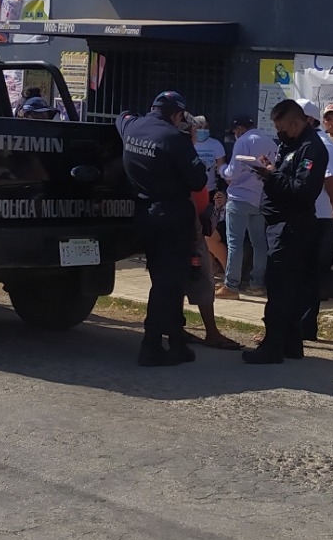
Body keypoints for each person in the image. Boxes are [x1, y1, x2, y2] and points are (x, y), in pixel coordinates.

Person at [117, 90, 208, 366]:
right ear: (176, 115)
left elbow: (122, 116)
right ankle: (151, 345)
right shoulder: (174, 139)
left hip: (144, 214)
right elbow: (197, 180)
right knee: (168, 284)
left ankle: (178, 342)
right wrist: (189, 143)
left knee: (165, 280)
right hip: (172, 217)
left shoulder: (132, 126)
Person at [243, 99, 328, 364]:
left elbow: (302, 190)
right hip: (278, 222)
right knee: (286, 286)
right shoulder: (290, 145)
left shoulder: (311, 148)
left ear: (296, 122)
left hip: (292, 225)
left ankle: (272, 347)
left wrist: (272, 176)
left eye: (283, 128)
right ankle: (291, 344)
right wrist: (271, 170)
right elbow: (285, 177)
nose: (279, 133)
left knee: (280, 287)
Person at [295, 100, 333, 341]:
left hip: (320, 218)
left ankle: (304, 328)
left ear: (309, 120)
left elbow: (332, 182)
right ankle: (300, 327)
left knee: (309, 274)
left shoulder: (322, 145)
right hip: (304, 217)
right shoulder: (298, 143)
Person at [218, 115, 277, 300]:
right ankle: (257, 284)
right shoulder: (271, 142)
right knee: (259, 243)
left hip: (239, 198)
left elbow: (232, 173)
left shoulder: (243, 141)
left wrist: (221, 169)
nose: (235, 135)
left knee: (235, 243)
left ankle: (231, 286)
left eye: (235, 132)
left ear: (239, 129)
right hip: (260, 199)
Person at [184, 184, 243, 351]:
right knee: (201, 277)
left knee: (187, 276)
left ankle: (177, 328)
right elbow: (197, 177)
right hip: (186, 220)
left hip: (190, 219)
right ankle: (211, 333)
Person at [191, 115, 227, 195]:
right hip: (191, 190)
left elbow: (222, 167)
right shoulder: (187, 143)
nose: (203, 130)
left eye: (206, 127)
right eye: (200, 127)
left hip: (210, 190)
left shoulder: (216, 144)